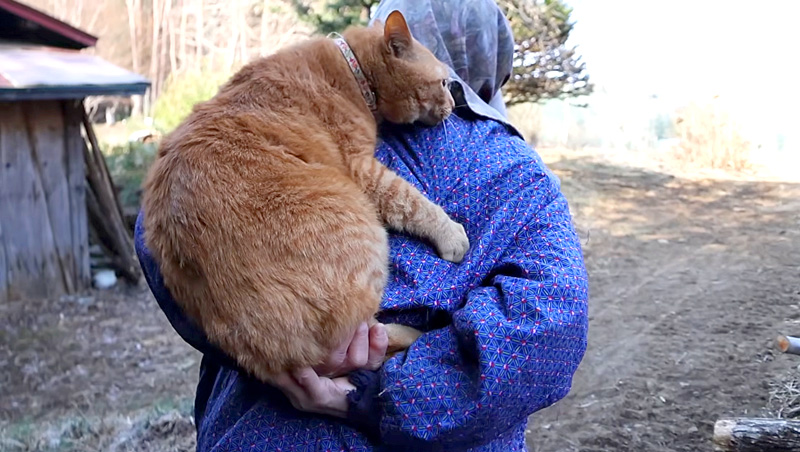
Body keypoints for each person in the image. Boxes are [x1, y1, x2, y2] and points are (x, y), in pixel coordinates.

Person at [134, 0, 589, 450]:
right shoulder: (523, 176)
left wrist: (257, 340)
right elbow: (552, 330)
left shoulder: (279, 105)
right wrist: (376, 397)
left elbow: (165, 239)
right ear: (490, 64)